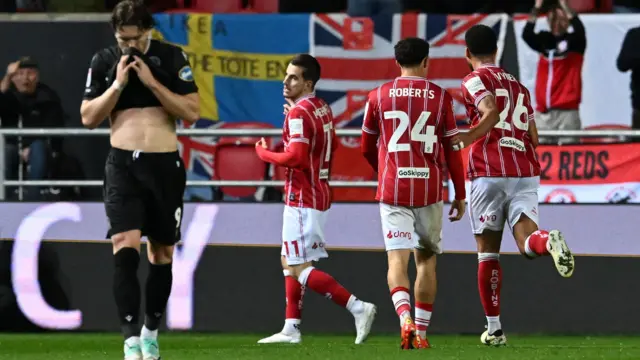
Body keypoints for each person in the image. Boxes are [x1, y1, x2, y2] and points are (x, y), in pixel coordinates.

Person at [79, 1, 199, 359]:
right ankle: (130, 339)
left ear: (148, 31)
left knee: (161, 253)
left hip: (163, 165)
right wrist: (118, 84)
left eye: (134, 38)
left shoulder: (171, 57)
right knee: (124, 243)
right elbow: (88, 117)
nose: (127, 46)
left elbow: (192, 112)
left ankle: (150, 331)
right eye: (121, 39)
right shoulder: (104, 61)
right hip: (123, 166)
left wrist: (151, 82)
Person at [456, 24, 575, 347]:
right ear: (496, 51)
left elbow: (490, 111)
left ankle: (494, 329)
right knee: (527, 242)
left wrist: (469, 135)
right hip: (525, 169)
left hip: (488, 169)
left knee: (487, 253)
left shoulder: (472, 80)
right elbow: (534, 137)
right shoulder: (520, 87)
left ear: (468, 54)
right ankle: (546, 239)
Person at [255, 54, 377, 345]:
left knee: (299, 267)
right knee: (289, 258)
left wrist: (265, 155)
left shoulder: (299, 114)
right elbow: (329, 144)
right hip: (317, 191)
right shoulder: (320, 107)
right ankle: (291, 328)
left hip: (303, 196)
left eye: (293, 77)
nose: (286, 81)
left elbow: (296, 158)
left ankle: (358, 307)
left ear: (307, 82)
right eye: (286, 75)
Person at [360, 37, 467, 350]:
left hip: (393, 188)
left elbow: (367, 146)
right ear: (426, 62)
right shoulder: (440, 96)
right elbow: (452, 149)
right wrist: (459, 193)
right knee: (426, 264)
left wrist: (381, 171)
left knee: (396, 262)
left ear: (397, 63)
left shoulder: (377, 95)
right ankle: (420, 333)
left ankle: (404, 317)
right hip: (429, 190)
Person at [522, 0, 586, 145]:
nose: (557, 23)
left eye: (561, 19)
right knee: (540, 157)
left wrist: (564, 4)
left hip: (567, 113)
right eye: (553, 18)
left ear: (567, 20)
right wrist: (537, 7)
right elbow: (527, 35)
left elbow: (580, 29)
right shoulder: (545, 40)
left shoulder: (575, 42)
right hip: (543, 114)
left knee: (569, 157)